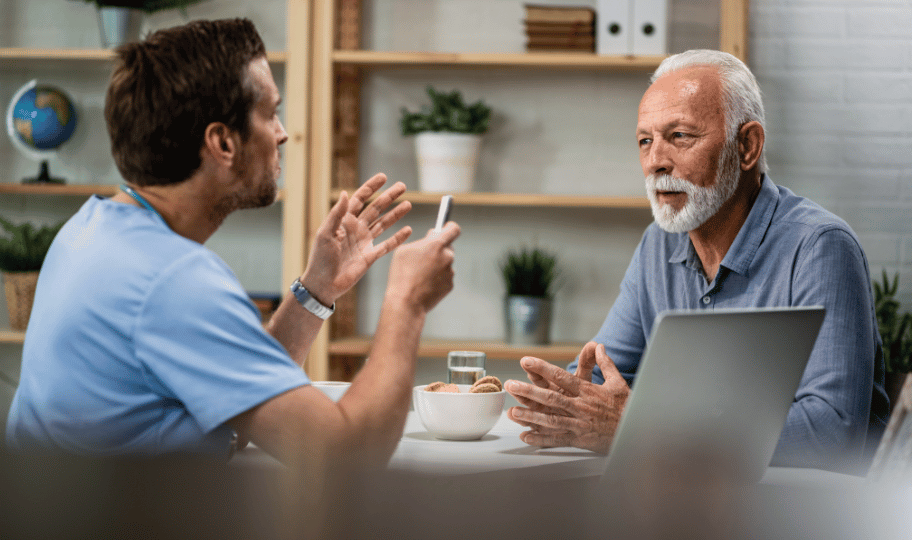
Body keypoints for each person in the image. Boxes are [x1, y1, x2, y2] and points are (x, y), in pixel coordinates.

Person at [5, 18, 460, 470]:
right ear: (223, 142)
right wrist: (406, 302)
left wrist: (317, 289)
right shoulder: (173, 280)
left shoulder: (91, 229)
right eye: (271, 113)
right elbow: (345, 458)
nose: (283, 133)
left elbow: (242, 389)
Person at [505, 49, 888, 474]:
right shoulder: (658, 244)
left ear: (747, 146)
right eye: (645, 141)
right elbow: (599, 379)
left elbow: (833, 431)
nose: (656, 162)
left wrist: (645, 429)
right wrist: (559, 400)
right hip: (691, 497)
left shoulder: (820, 247)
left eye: (680, 136)